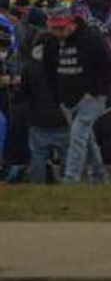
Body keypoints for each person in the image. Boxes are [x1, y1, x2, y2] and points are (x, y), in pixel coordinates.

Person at [45, 6, 111, 185]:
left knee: (77, 136)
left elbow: (109, 66)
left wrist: (95, 92)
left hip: (91, 97)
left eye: (61, 28)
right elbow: (49, 72)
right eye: (54, 28)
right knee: (86, 138)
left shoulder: (92, 38)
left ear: (72, 24)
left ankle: (70, 180)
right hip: (66, 99)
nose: (58, 33)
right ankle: (99, 176)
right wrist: (57, 98)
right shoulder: (51, 42)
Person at [20, 23, 69, 184]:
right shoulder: (66, 64)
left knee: (38, 156)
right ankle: (71, 188)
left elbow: (24, 92)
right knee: (67, 156)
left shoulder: (30, 67)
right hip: (63, 117)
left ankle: (37, 187)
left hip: (38, 119)